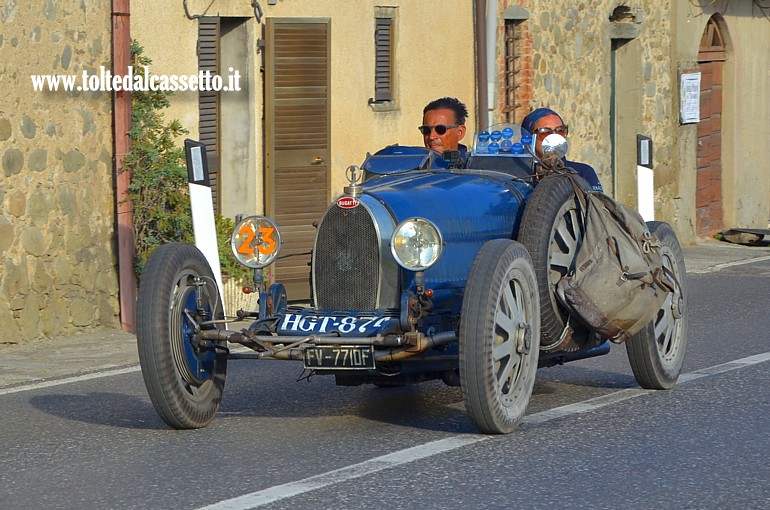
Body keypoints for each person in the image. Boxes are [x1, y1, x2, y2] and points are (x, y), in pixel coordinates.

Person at [521, 107, 604, 192]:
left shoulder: (582, 172)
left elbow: (597, 199)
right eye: (545, 132)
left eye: (560, 131)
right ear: (529, 137)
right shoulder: (518, 172)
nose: (554, 137)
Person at [420, 97, 469, 161]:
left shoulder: (474, 165)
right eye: (426, 130)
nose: (431, 137)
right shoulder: (414, 164)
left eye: (440, 129)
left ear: (460, 132)